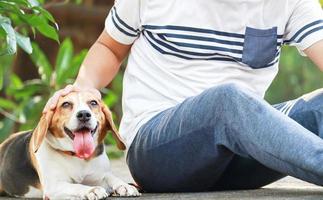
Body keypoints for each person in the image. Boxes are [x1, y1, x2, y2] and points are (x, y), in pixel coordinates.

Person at [44, 0, 323, 192]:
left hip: (240, 154)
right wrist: (84, 87)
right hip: (157, 149)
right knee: (227, 100)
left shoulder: (290, 2)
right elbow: (110, 47)